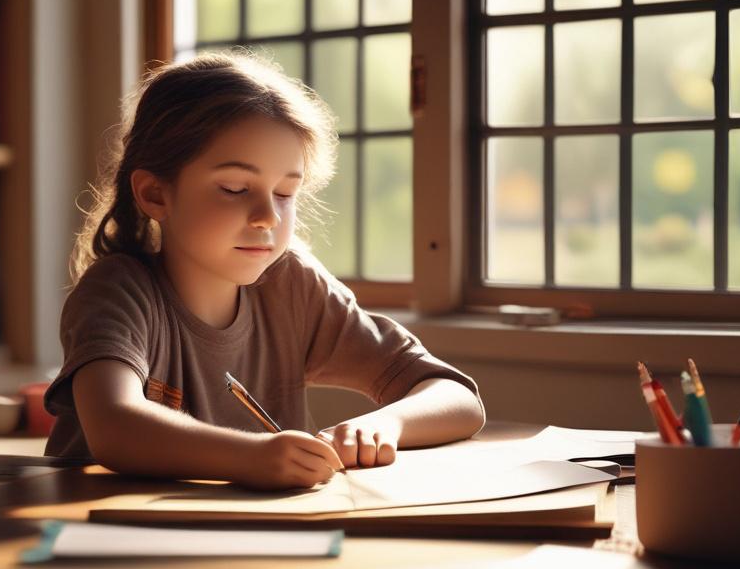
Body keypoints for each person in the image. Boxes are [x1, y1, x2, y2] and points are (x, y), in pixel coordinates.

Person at [43, 52, 484, 490]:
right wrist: (252, 457)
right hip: (110, 540)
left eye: (285, 192)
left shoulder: (291, 285)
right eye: (235, 188)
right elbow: (114, 427)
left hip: (252, 542)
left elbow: (456, 396)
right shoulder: (118, 290)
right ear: (156, 193)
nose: (267, 217)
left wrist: (386, 425)